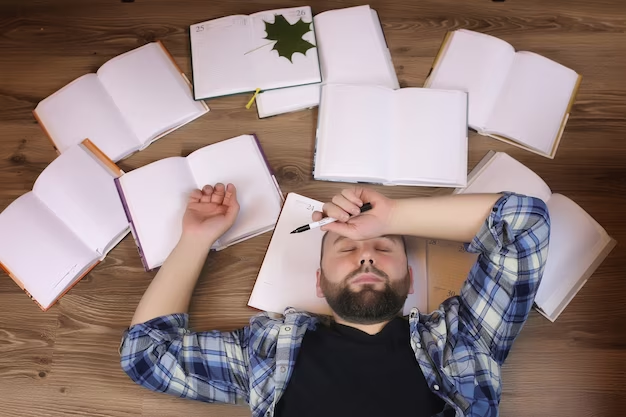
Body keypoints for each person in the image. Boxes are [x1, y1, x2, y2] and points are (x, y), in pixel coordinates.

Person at [120, 182, 550, 417]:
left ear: (410, 278)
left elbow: (524, 221)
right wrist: (196, 239)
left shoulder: (464, 339)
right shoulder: (268, 354)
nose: (365, 251)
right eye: (345, 249)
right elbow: (147, 356)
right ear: (320, 284)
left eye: (383, 247)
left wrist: (394, 214)